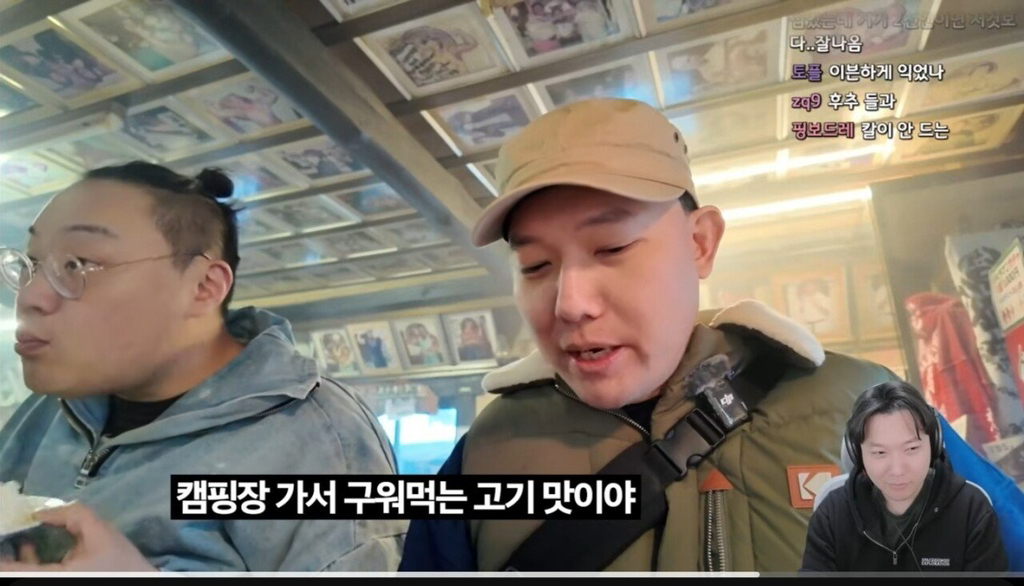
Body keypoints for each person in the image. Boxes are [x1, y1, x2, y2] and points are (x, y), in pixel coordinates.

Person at [397, 97, 1022, 572]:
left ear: (700, 243)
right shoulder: (485, 456)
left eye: (611, 247)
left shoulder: (857, 403)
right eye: (535, 265)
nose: (570, 304)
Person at [0, 161, 406, 572]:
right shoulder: (53, 407)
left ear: (204, 287)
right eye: (31, 264)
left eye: (77, 264)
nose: (30, 297)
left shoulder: (319, 441)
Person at [801, 381, 1007, 572]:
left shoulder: (970, 509)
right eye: (880, 452)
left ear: (934, 444)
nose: (897, 470)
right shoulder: (833, 514)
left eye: (911, 449)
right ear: (857, 453)